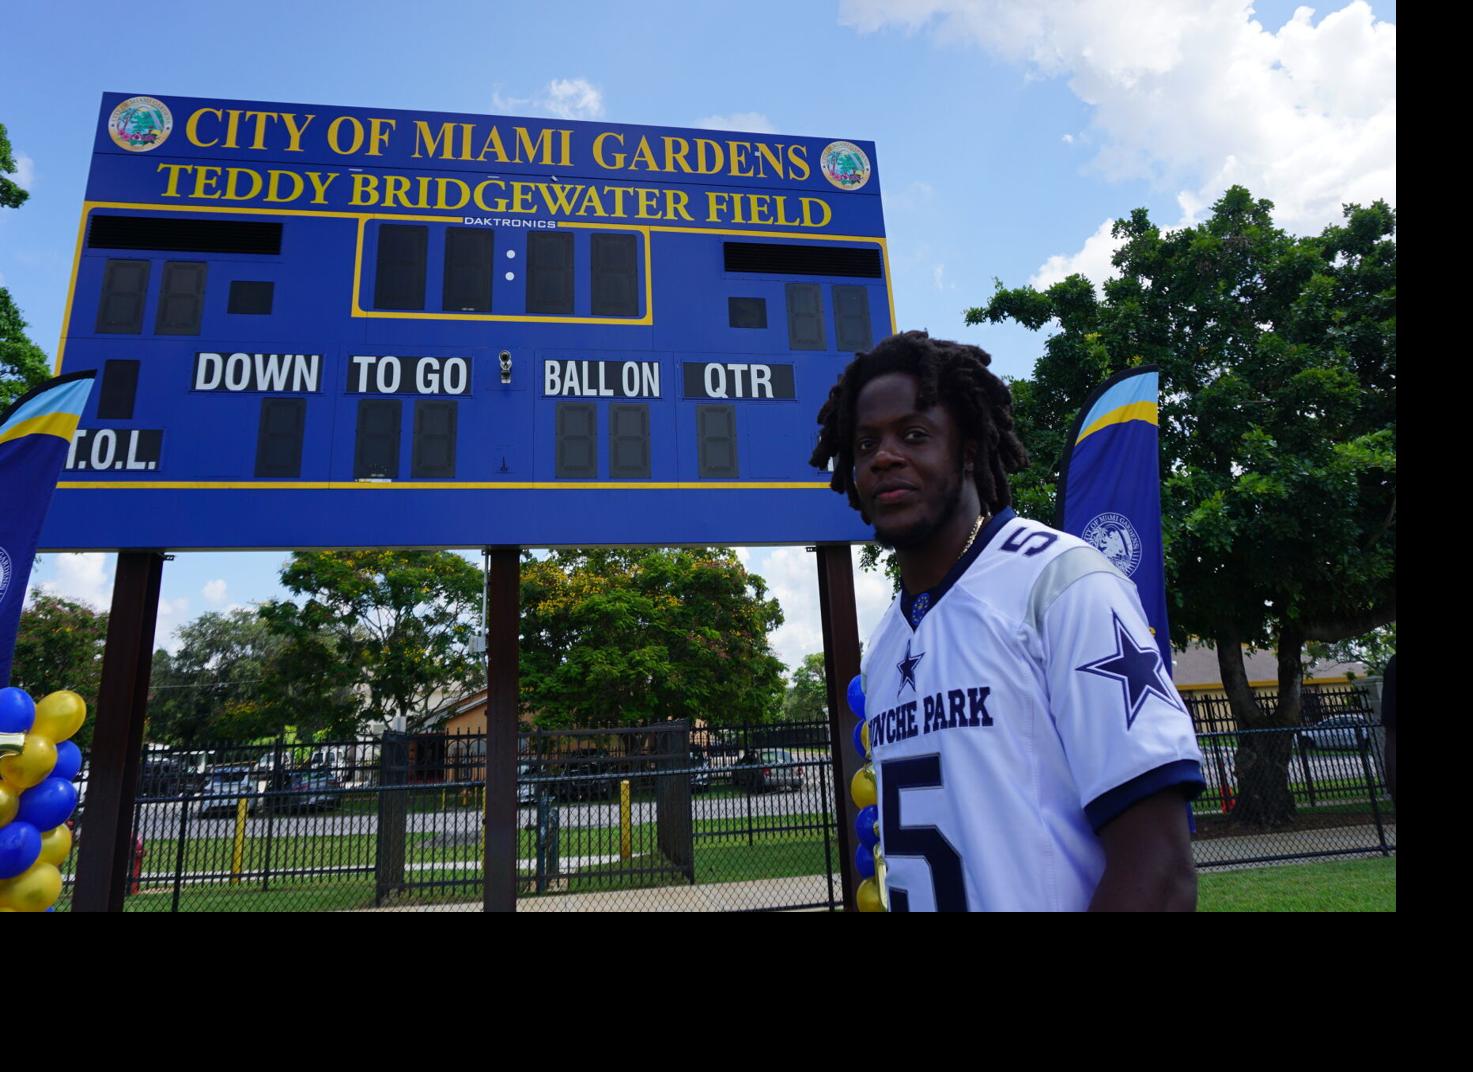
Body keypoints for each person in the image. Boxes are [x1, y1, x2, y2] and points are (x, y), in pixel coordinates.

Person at [811, 331, 1204, 911]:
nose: (884, 456)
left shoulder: (1063, 583)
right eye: (866, 443)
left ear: (968, 448)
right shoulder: (888, 640)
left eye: (914, 435)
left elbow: (1160, 870)